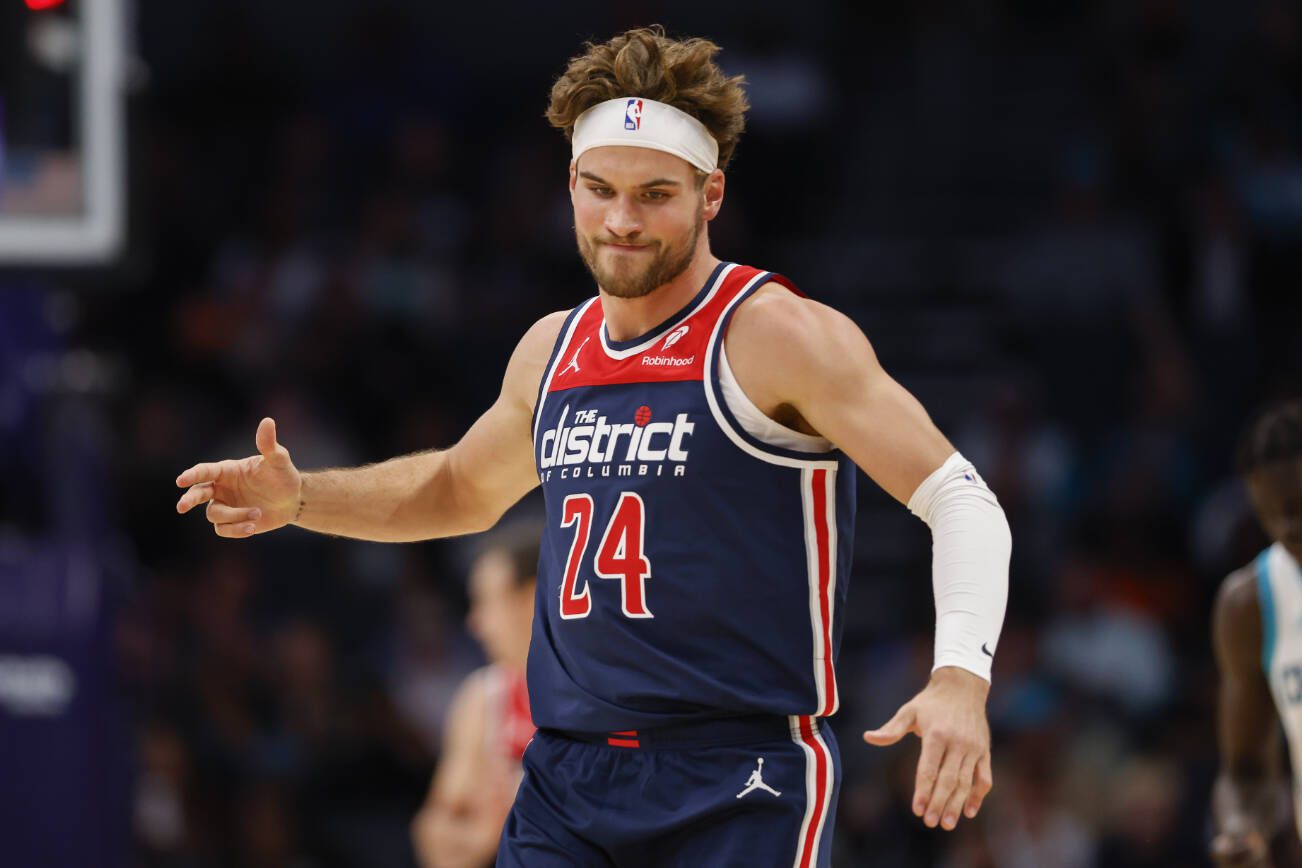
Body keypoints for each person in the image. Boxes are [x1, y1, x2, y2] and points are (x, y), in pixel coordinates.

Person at [176, 26, 1011, 867]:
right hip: (568, 777)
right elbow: (458, 490)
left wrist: (959, 678)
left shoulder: (776, 335)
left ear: (710, 195)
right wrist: (303, 498)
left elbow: (962, 501)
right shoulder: (552, 349)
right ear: (570, 184)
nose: (622, 220)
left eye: (655, 193)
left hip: (737, 776)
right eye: (600, 188)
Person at [411, 524, 539, 868]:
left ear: (532, 598)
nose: (475, 623)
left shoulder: (602, 693)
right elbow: (433, 835)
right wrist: (487, 832)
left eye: (486, 603)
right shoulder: (485, 697)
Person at [1212, 400, 1302, 868]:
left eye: (1299, 508)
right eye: (1270, 514)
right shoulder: (1251, 603)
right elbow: (1246, 772)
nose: (1287, 527)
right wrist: (1241, 827)